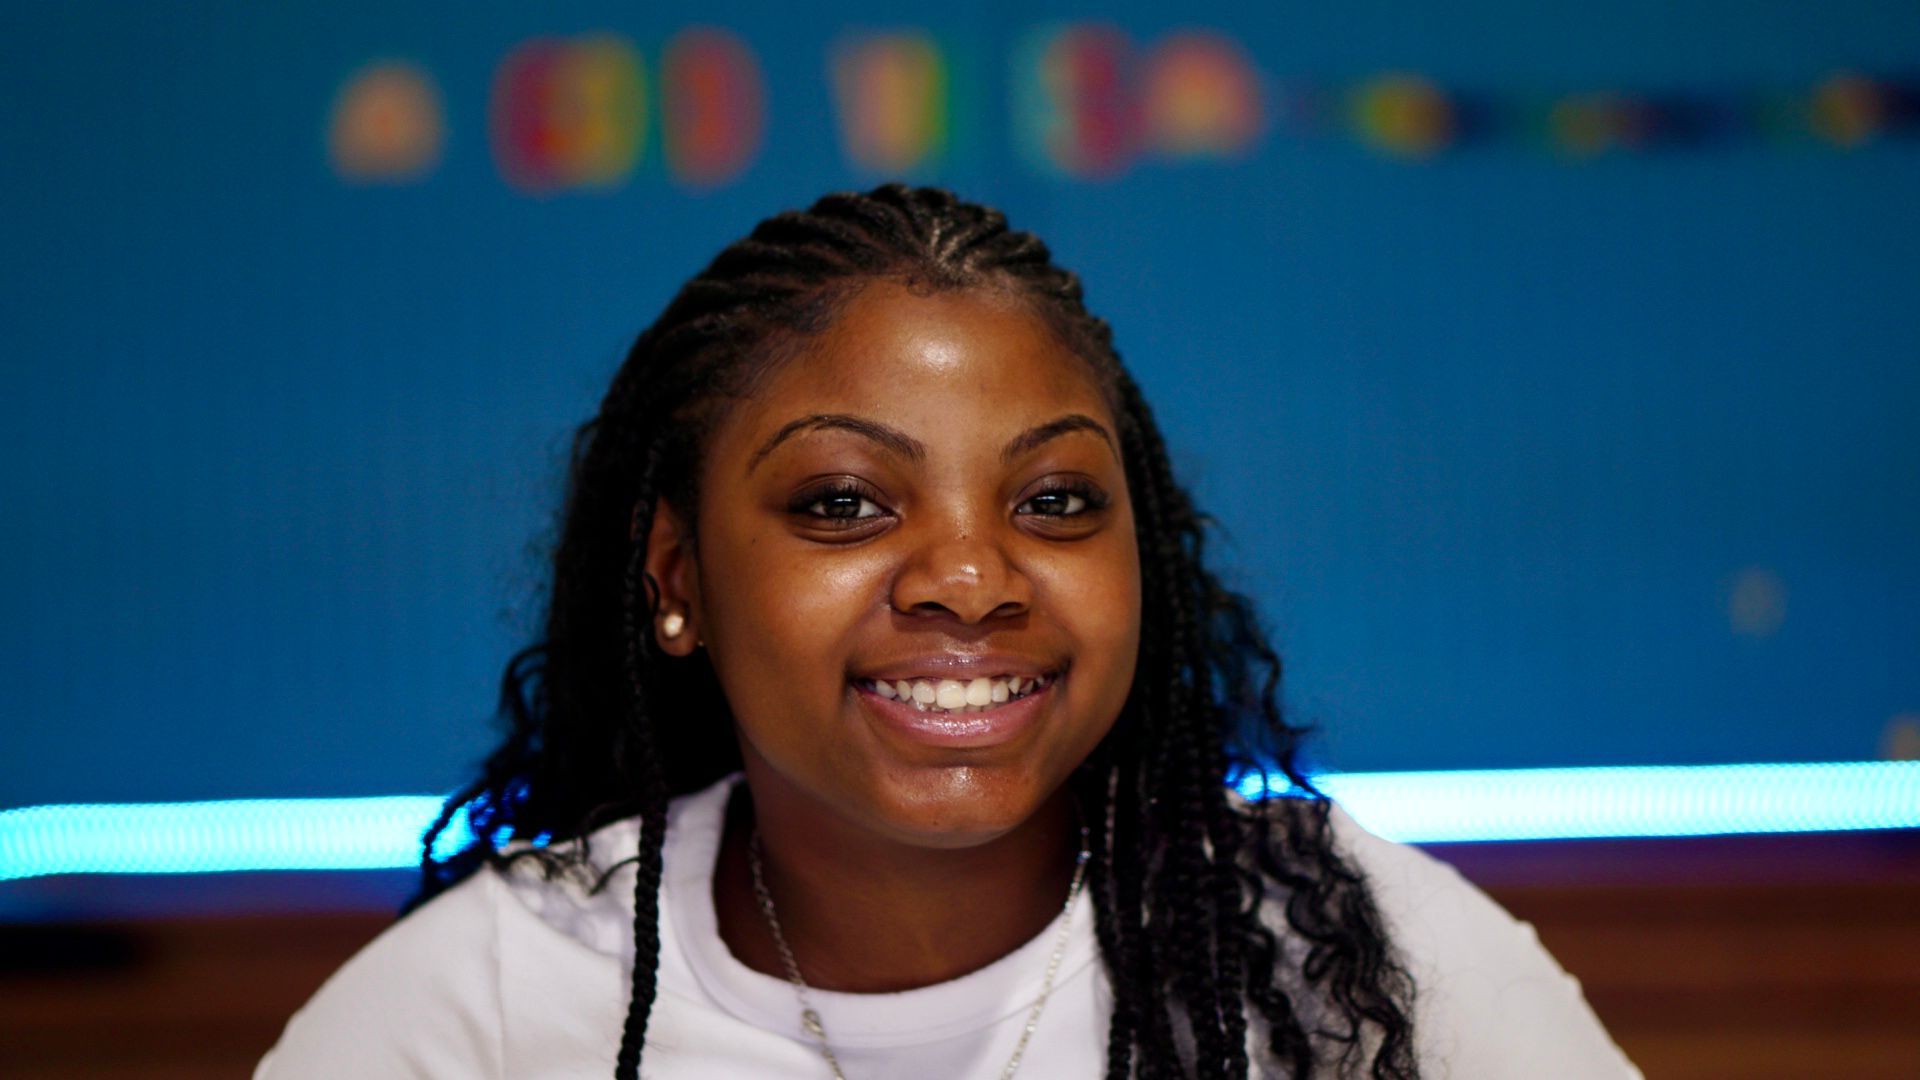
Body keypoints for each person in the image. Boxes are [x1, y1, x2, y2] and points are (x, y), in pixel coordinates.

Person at [257, 185, 1639, 1078]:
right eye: (846, 502)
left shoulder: (1347, 954)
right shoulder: (488, 1012)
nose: (972, 579)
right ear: (676, 574)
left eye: (1052, 499)